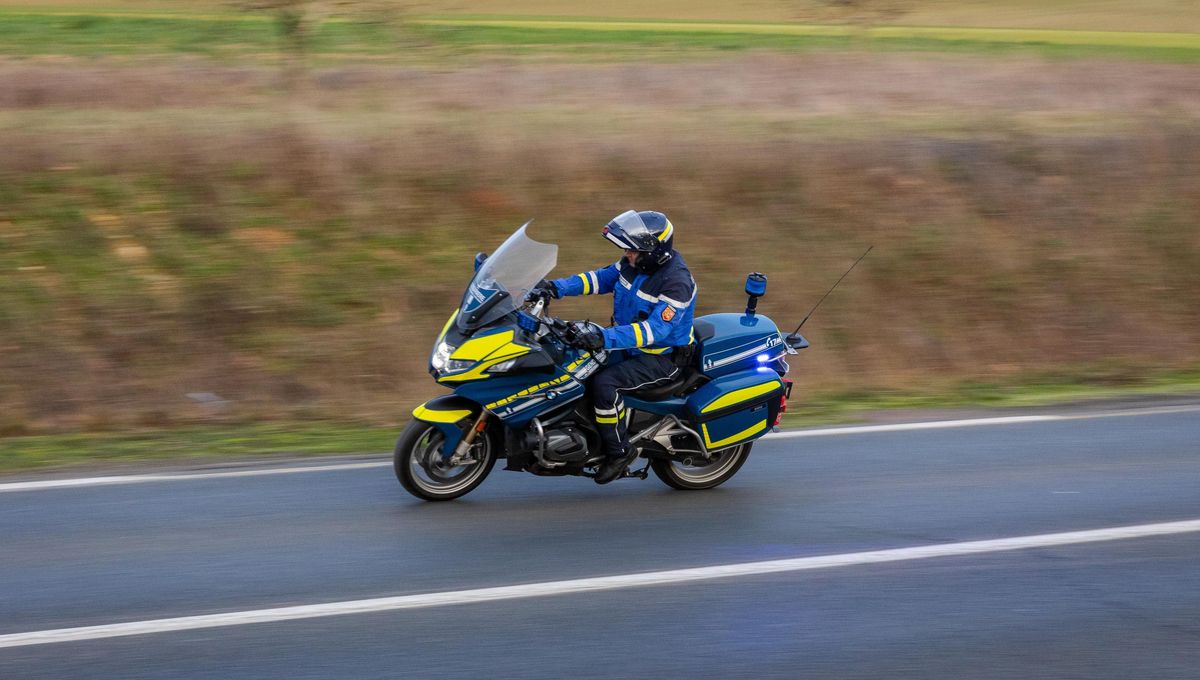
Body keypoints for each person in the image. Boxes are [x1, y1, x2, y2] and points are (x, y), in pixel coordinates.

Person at [531, 210, 698, 484]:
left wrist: (604, 338)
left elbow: (656, 330)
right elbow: (598, 279)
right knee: (573, 363)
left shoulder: (676, 281)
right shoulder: (633, 265)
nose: (627, 255)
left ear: (652, 251)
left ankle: (619, 452)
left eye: (632, 250)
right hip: (628, 348)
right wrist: (553, 287)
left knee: (605, 385)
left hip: (664, 360)